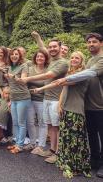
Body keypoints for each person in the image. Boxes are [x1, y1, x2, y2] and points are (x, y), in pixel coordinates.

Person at [32, 51, 91, 178]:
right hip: (65, 108)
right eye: (72, 57)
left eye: (77, 58)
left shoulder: (81, 74)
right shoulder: (69, 73)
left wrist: (35, 83)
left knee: (75, 139)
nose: (74, 59)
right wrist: (59, 105)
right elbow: (63, 90)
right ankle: (65, 162)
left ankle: (76, 166)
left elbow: (61, 83)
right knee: (66, 138)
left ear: (82, 60)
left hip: (75, 109)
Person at [54, 33, 103, 178]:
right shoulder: (89, 60)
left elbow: (89, 73)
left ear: (101, 43)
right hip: (87, 106)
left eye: (94, 42)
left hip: (101, 105)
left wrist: (65, 79)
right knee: (92, 136)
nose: (91, 44)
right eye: (88, 42)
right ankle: (95, 161)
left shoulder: (101, 60)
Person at [19, 38, 69, 163]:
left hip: (56, 100)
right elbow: (42, 48)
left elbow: (49, 75)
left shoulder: (62, 62)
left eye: (54, 47)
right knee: (51, 126)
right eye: (50, 47)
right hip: (47, 98)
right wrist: (37, 38)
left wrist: (28, 78)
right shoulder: (52, 60)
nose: (52, 49)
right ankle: (52, 150)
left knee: (56, 127)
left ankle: (58, 153)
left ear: (60, 47)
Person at [5, 48, 31, 154]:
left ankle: (20, 146)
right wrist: (10, 99)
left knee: (21, 122)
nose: (14, 56)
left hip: (23, 98)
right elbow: (11, 85)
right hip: (14, 98)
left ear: (20, 56)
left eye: (16, 54)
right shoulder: (10, 67)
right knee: (15, 122)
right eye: (12, 54)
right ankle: (16, 143)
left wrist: (14, 77)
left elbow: (24, 81)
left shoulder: (24, 66)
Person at [27, 49, 50, 153]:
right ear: (35, 58)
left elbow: (50, 85)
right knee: (30, 122)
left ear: (45, 59)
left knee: (42, 123)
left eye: (42, 57)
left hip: (42, 100)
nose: (39, 58)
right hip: (29, 99)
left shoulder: (48, 70)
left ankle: (40, 145)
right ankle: (32, 143)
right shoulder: (30, 69)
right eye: (37, 57)